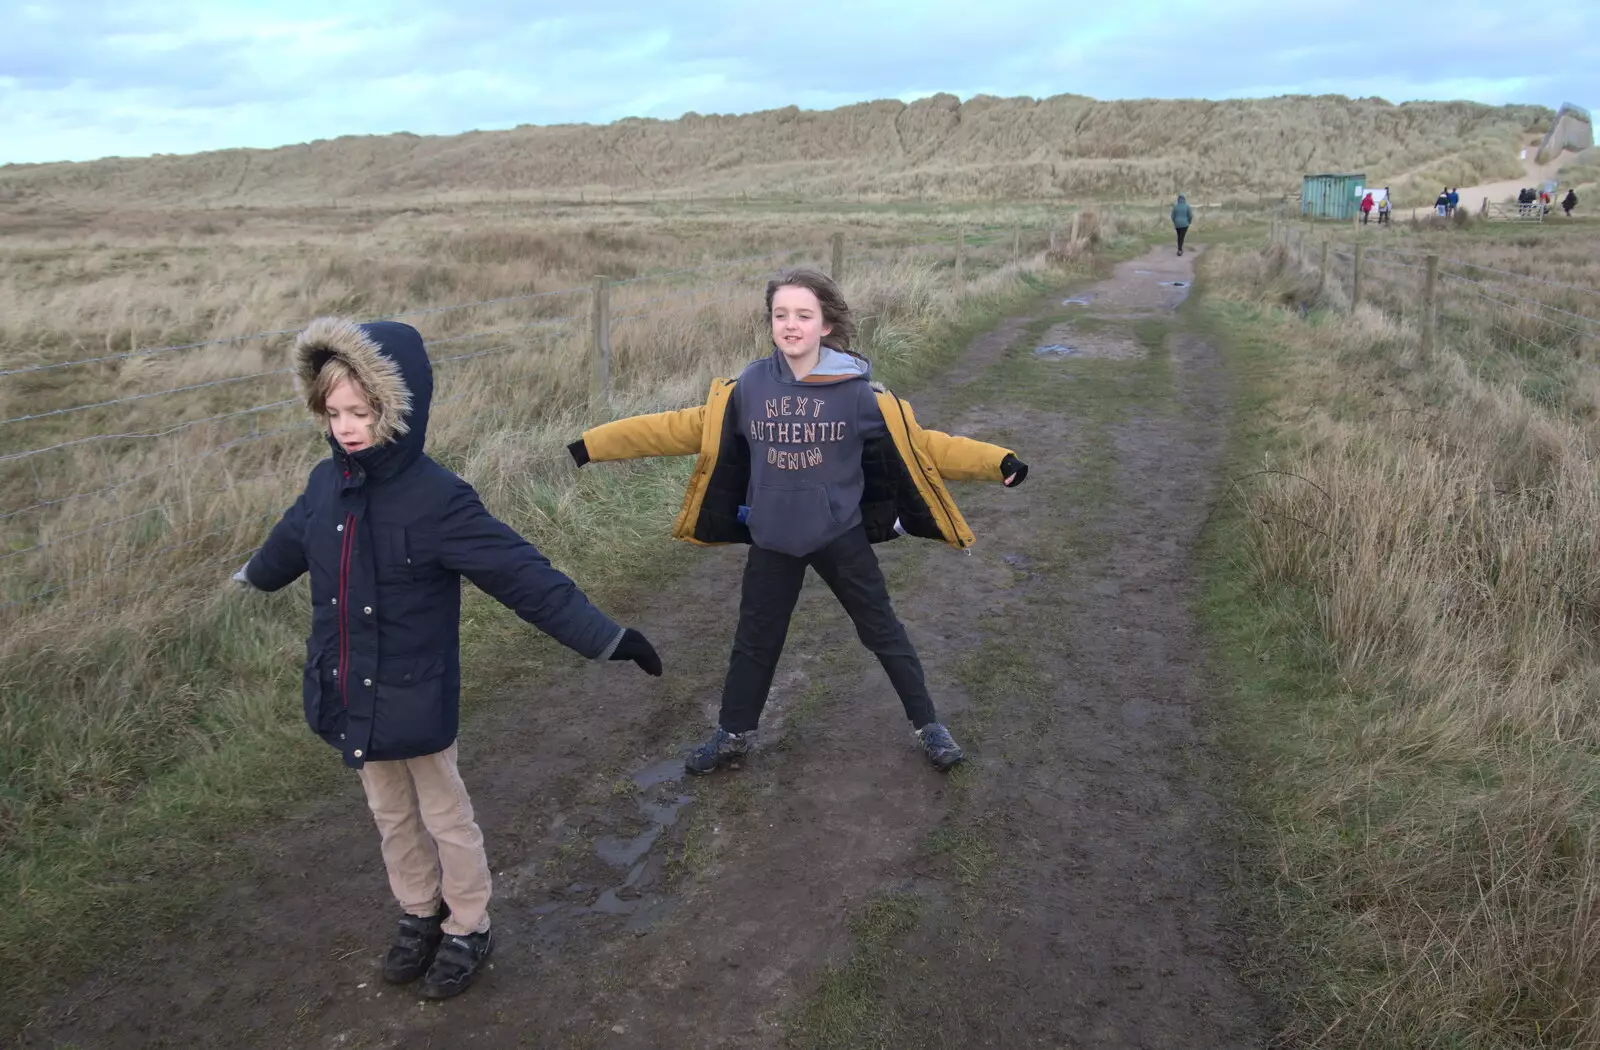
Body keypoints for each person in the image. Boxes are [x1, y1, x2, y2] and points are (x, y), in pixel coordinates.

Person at [233, 318, 663, 999]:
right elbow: (292, 538)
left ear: (398, 410)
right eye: (336, 412)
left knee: (443, 815)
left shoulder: (438, 499)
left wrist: (606, 637)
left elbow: (522, 575)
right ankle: (418, 912)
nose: (347, 426)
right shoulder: (324, 485)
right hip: (352, 690)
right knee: (389, 814)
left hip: (416, 691)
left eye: (363, 412)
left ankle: (468, 924)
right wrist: (254, 577)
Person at [566, 268, 1028, 777]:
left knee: (883, 631)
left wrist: (997, 461)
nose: (790, 325)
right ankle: (734, 734)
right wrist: (594, 445)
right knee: (755, 641)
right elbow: (680, 427)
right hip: (772, 539)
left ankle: (929, 727)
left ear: (826, 324)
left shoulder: (857, 394)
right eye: (780, 315)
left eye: (803, 315)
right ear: (770, 323)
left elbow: (926, 446)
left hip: (840, 537)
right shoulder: (749, 387)